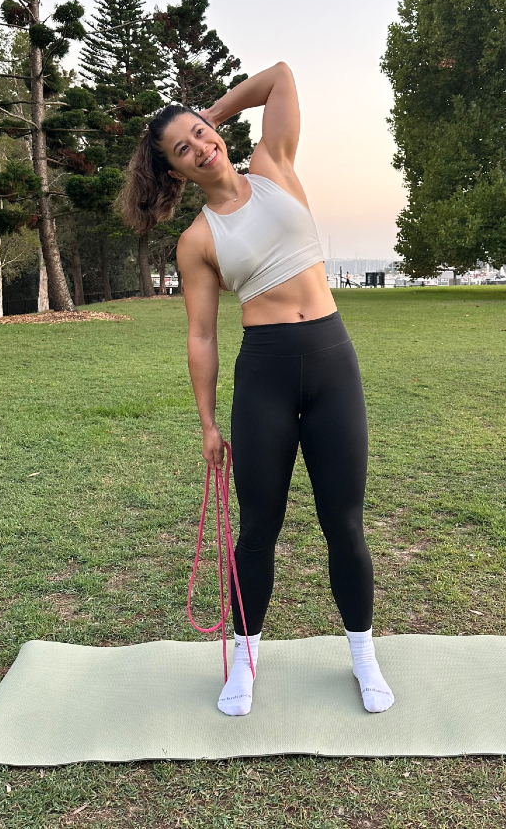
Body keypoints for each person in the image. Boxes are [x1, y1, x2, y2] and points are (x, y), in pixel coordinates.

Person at [120, 63, 394, 717]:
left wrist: (211, 112)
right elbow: (201, 337)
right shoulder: (197, 240)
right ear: (175, 173)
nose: (200, 147)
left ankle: (362, 655)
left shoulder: (273, 165)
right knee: (257, 528)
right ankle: (244, 659)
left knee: (344, 524)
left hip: (333, 362)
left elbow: (278, 78)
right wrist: (209, 424)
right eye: (182, 149)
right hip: (265, 375)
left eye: (200, 133)